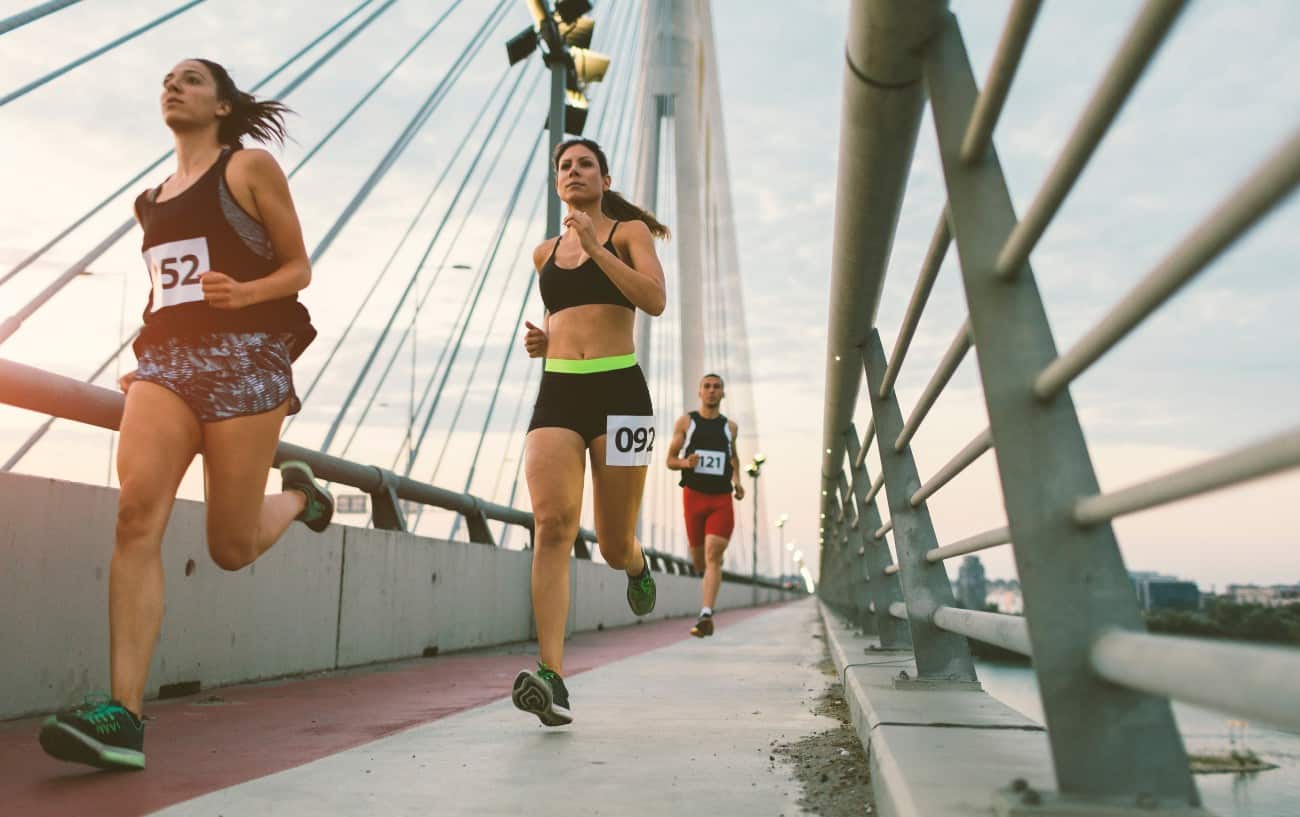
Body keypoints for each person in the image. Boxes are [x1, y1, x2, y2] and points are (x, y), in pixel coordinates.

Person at [38, 59, 332, 771]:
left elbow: (299, 268)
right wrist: (145, 357)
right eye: (166, 78)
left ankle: (298, 493)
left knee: (229, 545)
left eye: (193, 79)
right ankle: (124, 715)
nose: (173, 86)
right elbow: (165, 289)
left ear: (223, 105)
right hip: (167, 364)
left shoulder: (249, 168)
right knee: (136, 514)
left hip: (248, 359)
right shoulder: (152, 199)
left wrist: (247, 292)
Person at [512, 138, 669, 727]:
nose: (573, 172)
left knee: (609, 541)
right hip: (560, 391)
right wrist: (542, 341)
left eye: (584, 165)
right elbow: (562, 319)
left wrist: (596, 245)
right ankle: (551, 675)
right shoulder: (542, 254)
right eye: (564, 166)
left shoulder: (627, 234)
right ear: (557, 183)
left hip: (622, 394)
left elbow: (653, 300)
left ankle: (634, 564)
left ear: (603, 178)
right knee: (551, 524)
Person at [666, 374, 744, 637]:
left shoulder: (730, 427)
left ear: (723, 393)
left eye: (717, 387)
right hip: (693, 496)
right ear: (699, 392)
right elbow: (669, 460)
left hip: (721, 499)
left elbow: (733, 457)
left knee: (713, 554)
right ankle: (705, 592)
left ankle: (706, 614)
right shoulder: (686, 423)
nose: (712, 391)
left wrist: (738, 482)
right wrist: (686, 463)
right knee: (699, 560)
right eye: (707, 387)